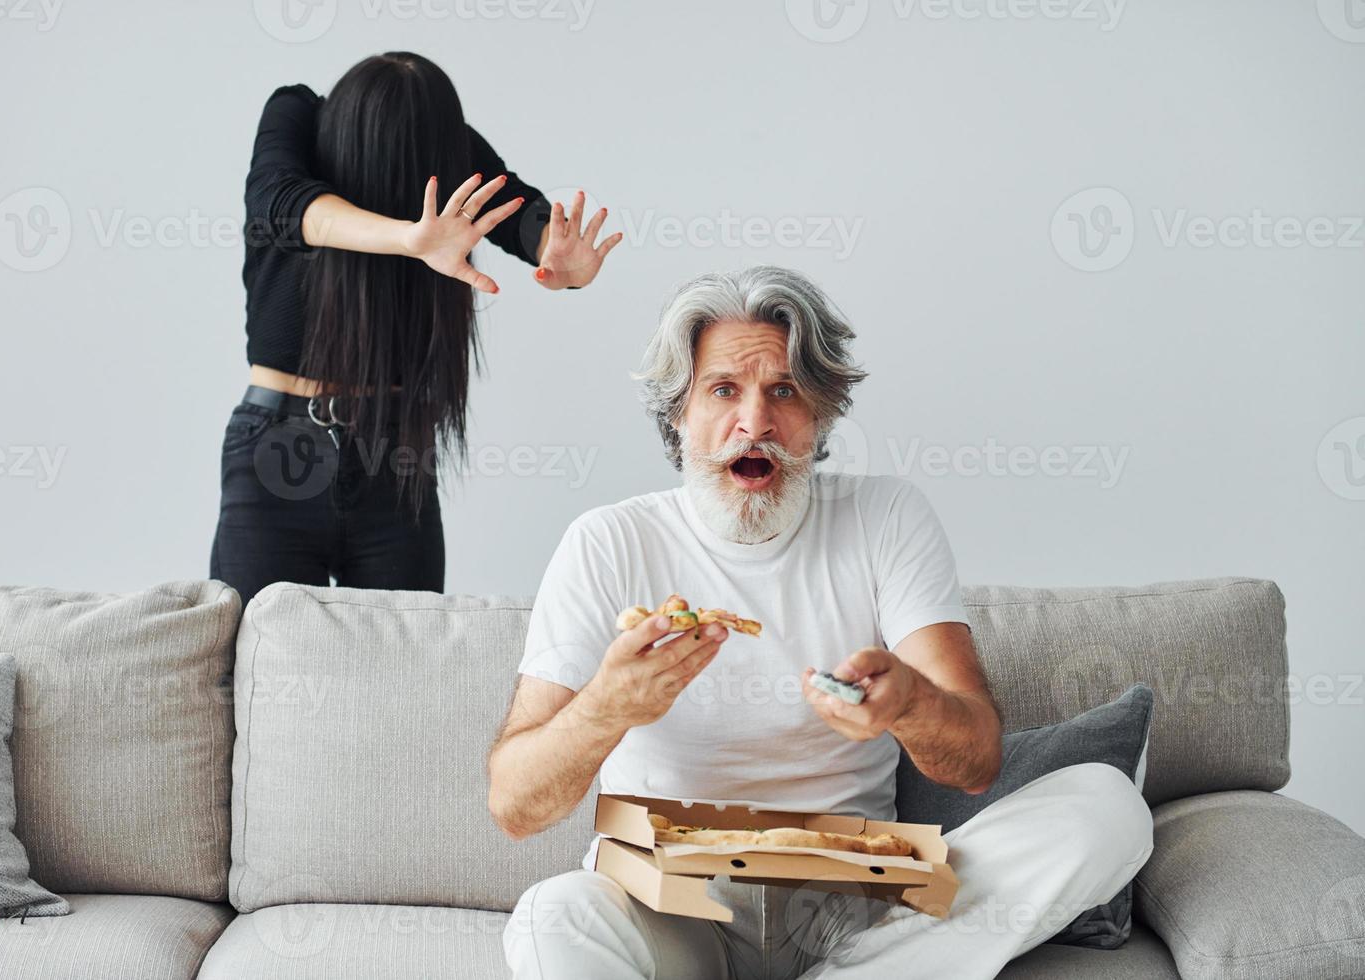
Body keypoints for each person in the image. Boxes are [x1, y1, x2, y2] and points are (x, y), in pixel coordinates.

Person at [487, 266, 1153, 978]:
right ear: (677, 414)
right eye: (723, 391)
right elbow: (515, 806)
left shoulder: (887, 519)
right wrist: (607, 706)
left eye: (785, 391)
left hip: (854, 909)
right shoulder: (608, 542)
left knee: (1107, 807)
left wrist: (910, 702)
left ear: (824, 412)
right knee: (550, 917)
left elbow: (976, 760)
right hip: (672, 905)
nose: (756, 423)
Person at [209, 51, 621, 606]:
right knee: (250, 660)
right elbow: (276, 201)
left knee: (407, 670)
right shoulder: (298, 115)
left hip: (395, 456)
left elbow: (518, 213)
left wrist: (558, 254)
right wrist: (411, 238)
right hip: (279, 449)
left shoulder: (447, 143)